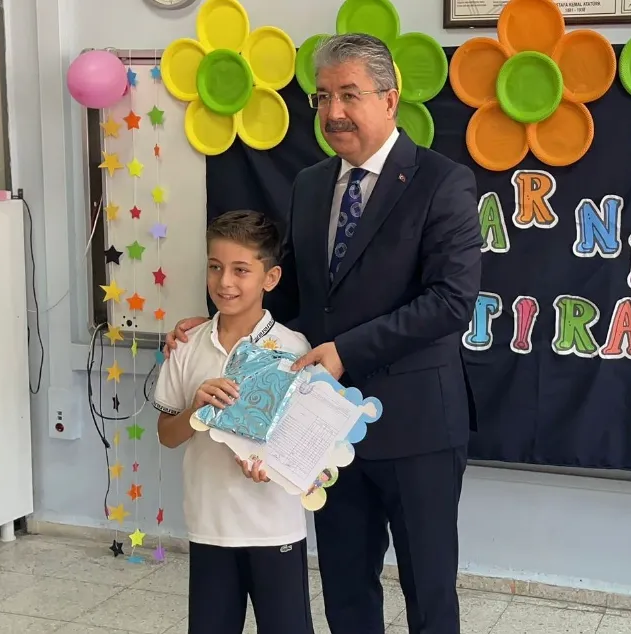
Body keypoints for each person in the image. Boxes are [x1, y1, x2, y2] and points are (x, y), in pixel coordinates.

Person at [168, 34, 483, 634]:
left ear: (389, 100)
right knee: (344, 583)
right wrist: (216, 322)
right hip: (323, 427)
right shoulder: (311, 184)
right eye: (322, 97)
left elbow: (450, 301)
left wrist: (346, 352)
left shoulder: (443, 182)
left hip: (418, 425)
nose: (333, 111)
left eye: (349, 95)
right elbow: (290, 296)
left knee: (429, 587)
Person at [153, 210, 315, 634]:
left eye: (241, 270)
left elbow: (305, 447)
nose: (224, 282)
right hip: (209, 527)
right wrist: (195, 410)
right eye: (215, 267)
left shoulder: (294, 349)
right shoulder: (186, 346)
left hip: (274, 528)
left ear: (270, 278)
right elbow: (167, 435)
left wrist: (274, 467)